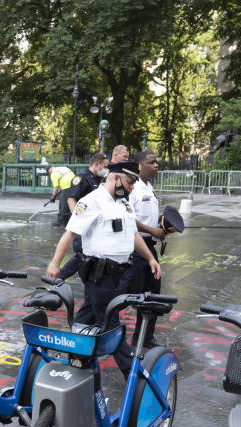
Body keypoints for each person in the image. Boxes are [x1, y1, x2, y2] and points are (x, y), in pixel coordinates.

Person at [46, 162, 161, 376]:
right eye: (129, 183)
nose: (131, 188)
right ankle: (135, 377)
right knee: (111, 327)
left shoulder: (123, 203)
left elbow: (133, 235)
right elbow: (70, 233)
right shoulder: (92, 202)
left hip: (117, 275)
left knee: (84, 319)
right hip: (100, 275)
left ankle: (76, 361)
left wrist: (150, 258)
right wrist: (55, 264)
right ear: (116, 179)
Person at [56, 152, 113, 291]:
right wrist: (79, 218)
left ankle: (63, 278)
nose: (106, 170)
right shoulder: (81, 178)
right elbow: (71, 199)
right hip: (84, 223)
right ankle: (60, 277)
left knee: (85, 254)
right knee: (82, 254)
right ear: (96, 164)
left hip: (95, 224)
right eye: (105, 167)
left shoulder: (99, 180)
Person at [127, 150, 167, 348]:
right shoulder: (132, 188)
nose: (156, 165)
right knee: (127, 293)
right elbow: (129, 219)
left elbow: (149, 217)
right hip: (134, 248)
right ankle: (106, 330)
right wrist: (152, 229)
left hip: (149, 247)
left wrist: (163, 227)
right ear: (141, 166)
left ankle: (145, 336)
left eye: (156, 162)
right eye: (152, 162)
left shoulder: (149, 188)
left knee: (153, 294)